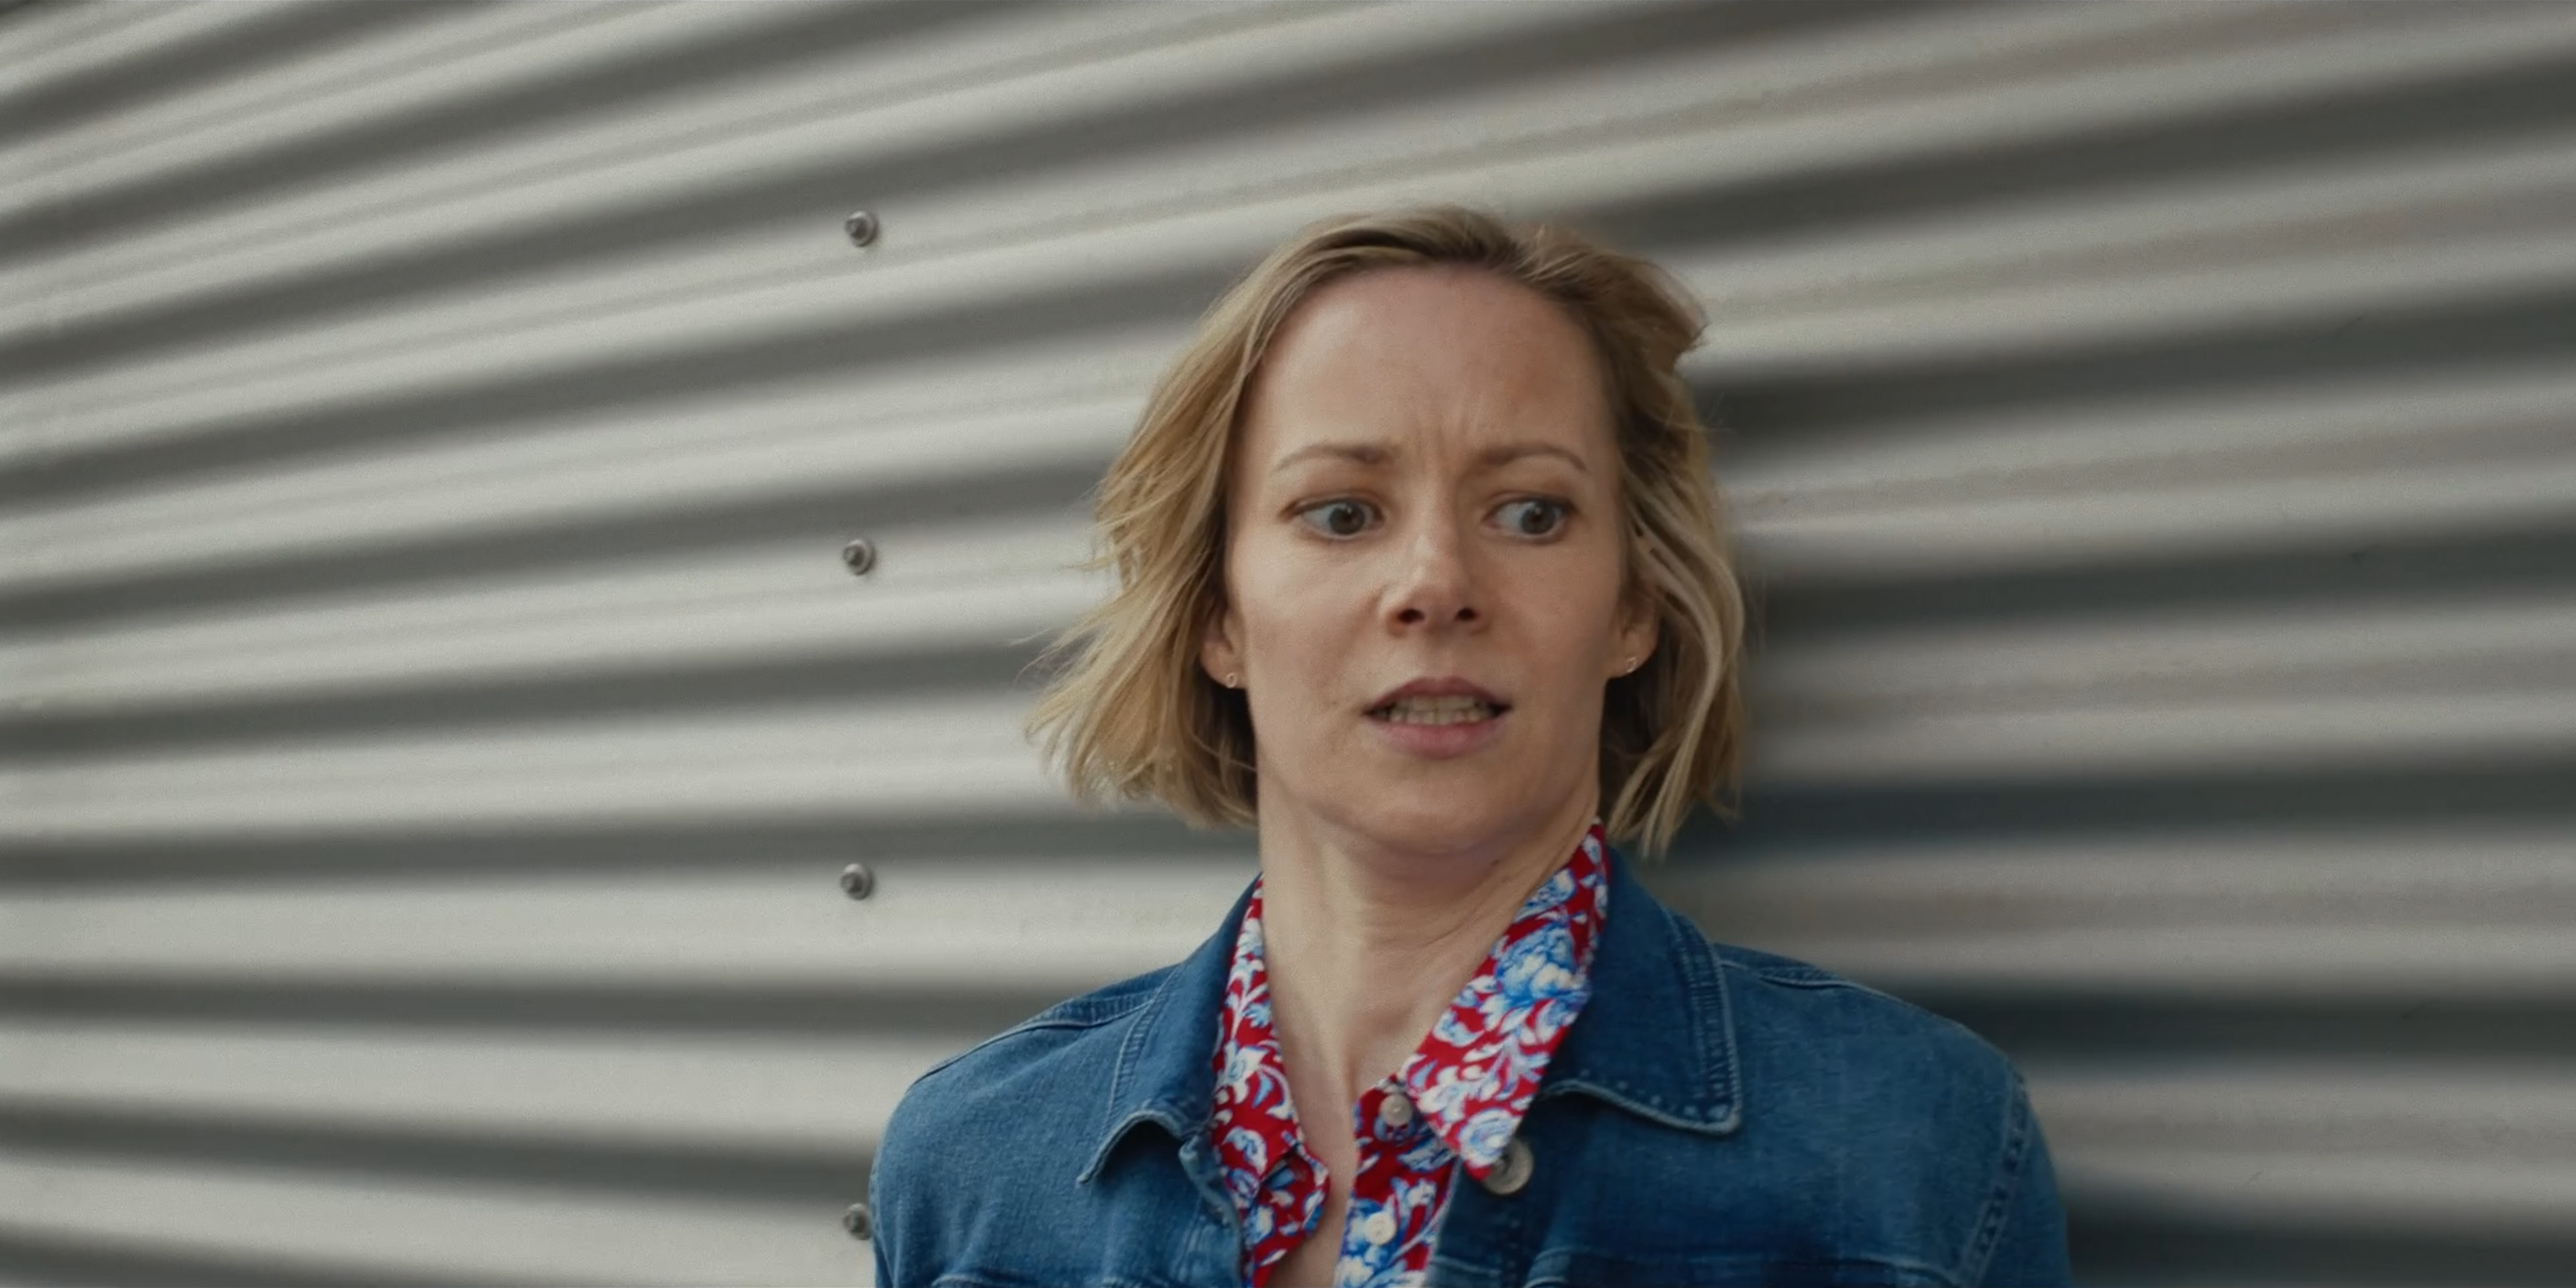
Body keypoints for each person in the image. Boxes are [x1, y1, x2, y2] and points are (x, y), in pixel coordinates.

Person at [869, 207, 2070, 1287]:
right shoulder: (969, 1171)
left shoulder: (1912, 1153)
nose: (1436, 583)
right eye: (1342, 513)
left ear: (1634, 604)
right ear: (1218, 616)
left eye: (1531, 513)